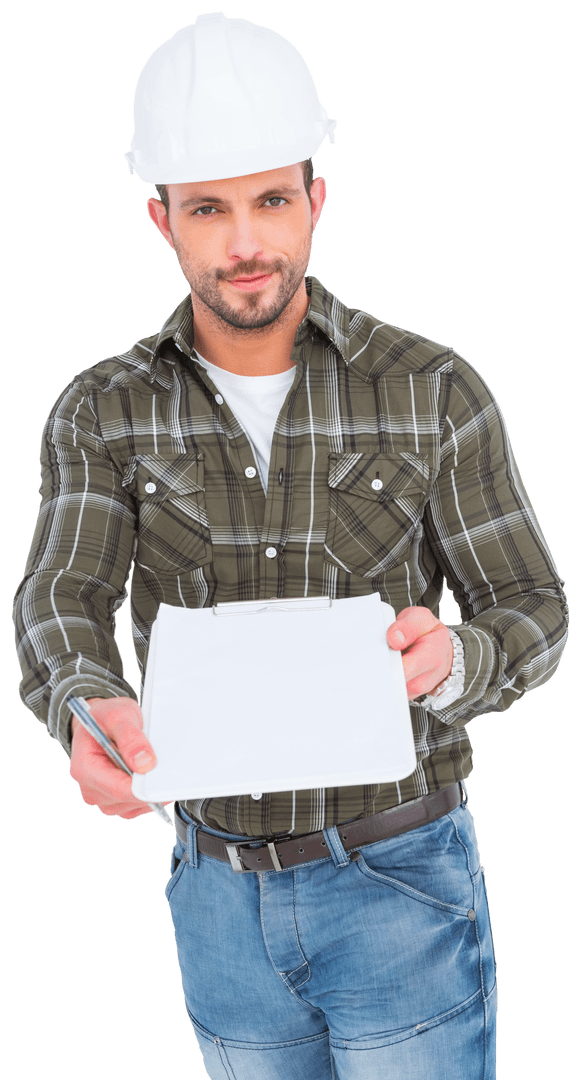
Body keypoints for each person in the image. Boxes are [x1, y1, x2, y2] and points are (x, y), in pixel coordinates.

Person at [12, 12, 568, 1080]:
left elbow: (532, 604)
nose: (243, 241)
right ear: (161, 221)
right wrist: (87, 702)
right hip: (215, 901)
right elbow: (58, 593)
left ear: (313, 200)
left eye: (269, 199)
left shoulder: (432, 389)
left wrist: (452, 659)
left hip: (400, 881)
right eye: (207, 209)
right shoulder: (101, 409)